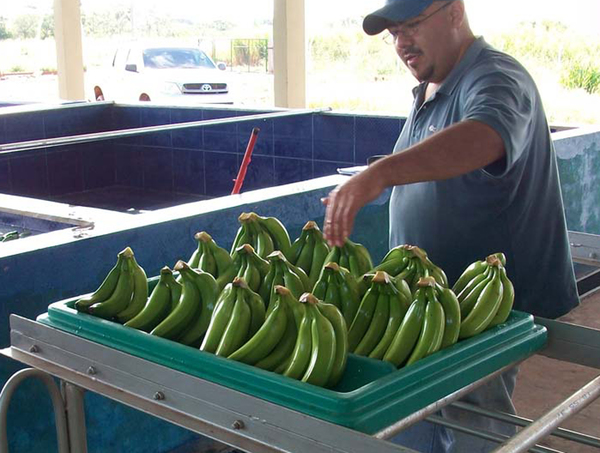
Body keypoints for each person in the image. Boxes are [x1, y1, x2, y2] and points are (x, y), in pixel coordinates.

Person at [323, 0, 580, 451]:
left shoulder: (496, 76)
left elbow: (485, 134)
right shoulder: (431, 89)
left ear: (455, 11)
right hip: (429, 300)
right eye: (395, 33)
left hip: (480, 306)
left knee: (473, 422)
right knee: (424, 416)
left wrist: (380, 174)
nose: (402, 43)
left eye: (413, 26)